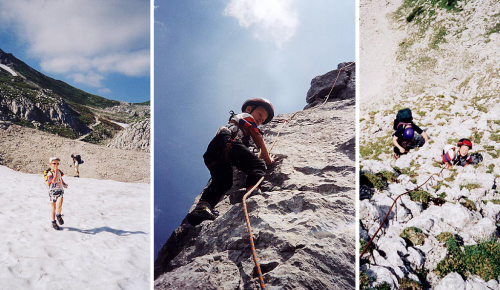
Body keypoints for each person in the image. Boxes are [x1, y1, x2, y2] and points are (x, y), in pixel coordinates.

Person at [187, 98, 275, 225]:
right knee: (257, 165)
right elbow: (258, 138)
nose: (259, 120)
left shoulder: (238, 123)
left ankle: (202, 207)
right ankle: (253, 195)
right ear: (249, 109)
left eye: (262, 120)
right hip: (227, 142)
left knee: (223, 182)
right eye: (260, 115)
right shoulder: (246, 116)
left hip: (214, 151)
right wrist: (268, 160)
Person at [46, 157, 68, 230]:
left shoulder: (59, 171)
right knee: (53, 208)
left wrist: (64, 183)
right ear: (50, 164)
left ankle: (58, 215)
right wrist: (55, 173)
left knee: (59, 205)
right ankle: (53, 222)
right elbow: (53, 181)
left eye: (57, 163)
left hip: (60, 190)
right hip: (52, 192)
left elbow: (60, 178)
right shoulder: (50, 173)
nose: (56, 165)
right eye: (54, 163)